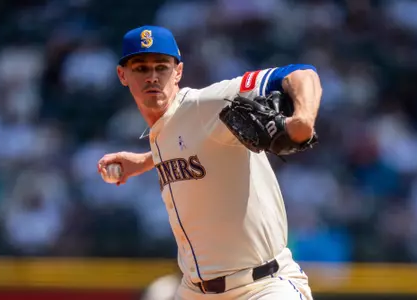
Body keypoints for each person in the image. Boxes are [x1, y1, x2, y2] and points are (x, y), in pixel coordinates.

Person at [98, 25, 322, 300]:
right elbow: (190, 145)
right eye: (141, 68)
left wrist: (303, 120)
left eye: (161, 67)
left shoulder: (206, 104)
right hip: (194, 291)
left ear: (178, 71)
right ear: (123, 75)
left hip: (262, 286)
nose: (152, 77)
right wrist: (146, 161)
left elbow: (301, 73)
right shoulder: (163, 133)